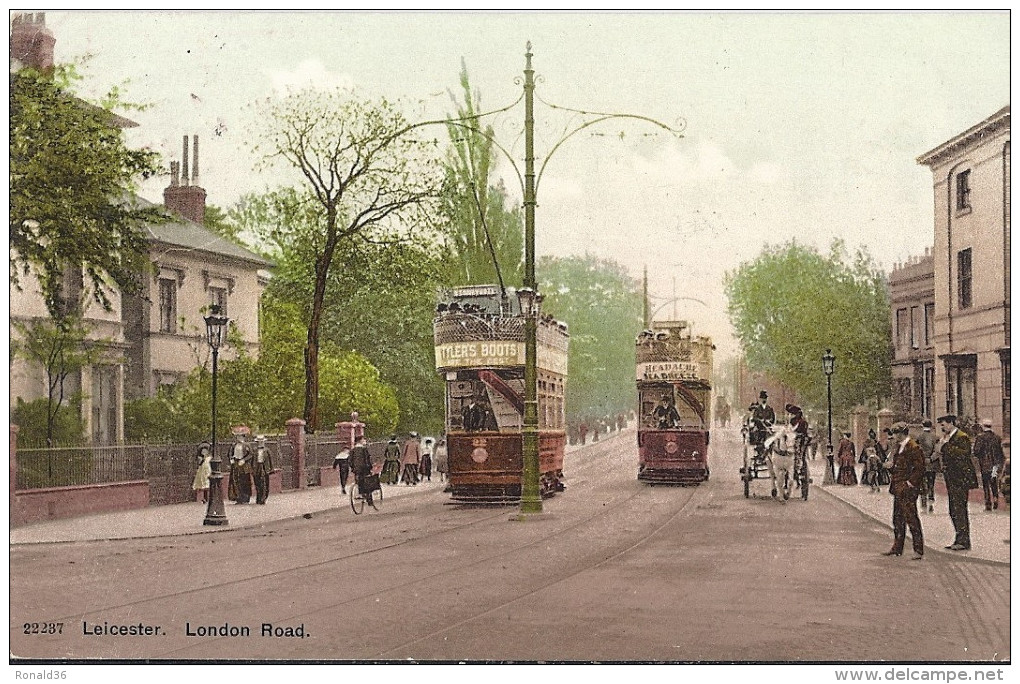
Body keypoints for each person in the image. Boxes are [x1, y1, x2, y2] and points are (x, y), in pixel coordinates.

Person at [882, 422, 925, 560]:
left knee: (911, 519)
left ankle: (918, 550)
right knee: (897, 519)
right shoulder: (899, 447)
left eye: (895, 433)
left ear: (901, 433)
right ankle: (897, 547)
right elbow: (898, 467)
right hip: (898, 488)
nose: (893, 436)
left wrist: (910, 483)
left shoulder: (913, 447)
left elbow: (919, 468)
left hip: (907, 489)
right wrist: (890, 467)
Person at [937, 414, 977, 551]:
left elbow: (964, 454)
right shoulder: (949, 437)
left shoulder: (962, 436)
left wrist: (946, 445)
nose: (942, 428)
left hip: (960, 479)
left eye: (943, 425)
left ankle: (964, 541)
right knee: (953, 509)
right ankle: (959, 538)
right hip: (952, 479)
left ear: (951, 423)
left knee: (959, 509)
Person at [973, 418, 1005, 511]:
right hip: (995, 465)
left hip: (984, 465)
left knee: (986, 484)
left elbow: (976, 451)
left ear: (983, 426)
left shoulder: (980, 437)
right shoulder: (997, 437)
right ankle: (995, 498)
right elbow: (1000, 452)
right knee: (994, 482)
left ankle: (988, 503)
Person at [916, 419, 940, 513]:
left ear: (922, 426)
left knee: (922, 484)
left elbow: (918, 450)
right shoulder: (935, 437)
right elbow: (937, 451)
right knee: (931, 484)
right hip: (932, 464)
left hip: (921, 464)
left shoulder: (919, 437)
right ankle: (931, 503)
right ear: (931, 426)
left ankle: (924, 505)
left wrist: (922, 459)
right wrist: (931, 459)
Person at [348, 435, 376, 506]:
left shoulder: (353, 450)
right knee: (367, 482)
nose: (365, 441)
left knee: (358, 481)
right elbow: (367, 460)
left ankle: (360, 494)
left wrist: (353, 468)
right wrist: (370, 467)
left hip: (356, 469)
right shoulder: (364, 449)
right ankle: (369, 499)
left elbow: (350, 461)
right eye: (363, 440)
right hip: (364, 468)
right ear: (360, 441)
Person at [228, 432, 254, 504]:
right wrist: (231, 459)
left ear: (243, 437)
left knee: (245, 481)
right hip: (236, 464)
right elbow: (230, 453)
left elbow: (251, 454)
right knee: (236, 481)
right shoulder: (234, 445)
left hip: (244, 465)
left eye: (240, 437)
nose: (239, 438)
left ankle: (246, 498)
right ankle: (238, 497)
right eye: (238, 437)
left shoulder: (247, 445)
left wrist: (244, 460)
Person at [252, 435, 274, 505]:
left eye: (262, 442)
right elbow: (252, 461)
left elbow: (271, 460)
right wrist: (251, 469)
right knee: (257, 483)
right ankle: (258, 498)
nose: (260, 443)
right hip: (256, 468)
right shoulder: (254, 450)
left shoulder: (267, 450)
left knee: (264, 483)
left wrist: (271, 469)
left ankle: (263, 498)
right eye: (259, 442)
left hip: (264, 468)